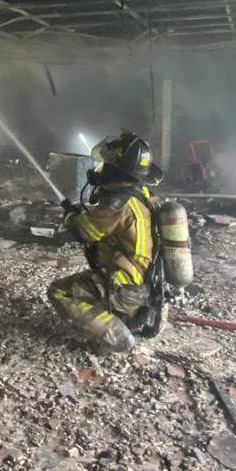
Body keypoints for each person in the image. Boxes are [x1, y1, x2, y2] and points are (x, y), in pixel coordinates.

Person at [49, 130, 162, 352]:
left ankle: (117, 339)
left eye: (107, 163)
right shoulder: (141, 194)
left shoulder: (117, 204)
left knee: (58, 292)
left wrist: (71, 217)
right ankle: (128, 318)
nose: (101, 168)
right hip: (147, 283)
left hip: (125, 287)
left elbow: (86, 232)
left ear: (116, 169)